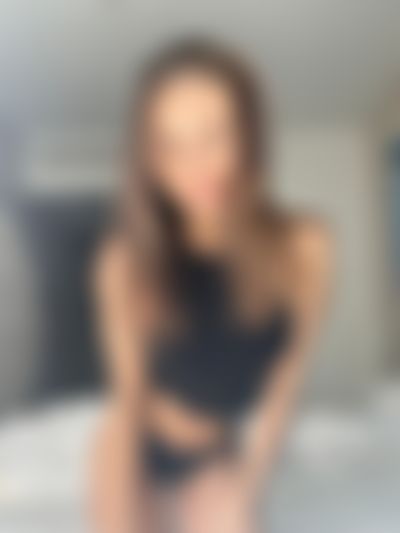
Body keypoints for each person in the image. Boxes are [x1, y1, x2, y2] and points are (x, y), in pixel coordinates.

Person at [89, 39, 332, 533]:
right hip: (134, 441)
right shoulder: (122, 262)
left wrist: (249, 486)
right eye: (170, 145)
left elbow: (285, 382)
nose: (195, 165)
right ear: (148, 158)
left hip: (216, 449)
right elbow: (129, 395)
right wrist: (126, 501)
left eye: (214, 134)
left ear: (249, 132)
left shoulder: (307, 246)